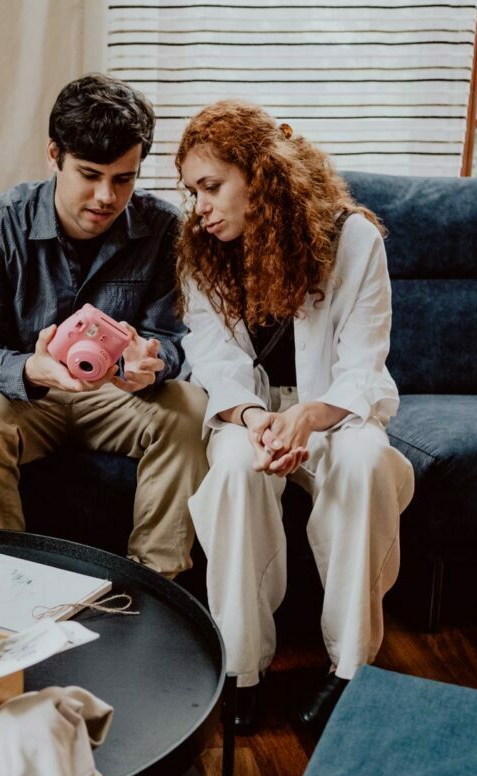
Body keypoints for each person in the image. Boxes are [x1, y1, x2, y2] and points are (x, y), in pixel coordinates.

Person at [175, 101, 415, 732]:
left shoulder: (352, 237)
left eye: (211, 186)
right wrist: (255, 418)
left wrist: (310, 416)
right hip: (249, 411)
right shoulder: (202, 249)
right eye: (193, 190)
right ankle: (241, 670)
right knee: (233, 472)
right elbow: (210, 354)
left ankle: (349, 673)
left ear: (260, 174)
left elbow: (364, 360)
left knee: (364, 463)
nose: (199, 205)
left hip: (332, 407)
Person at [0, 74, 207, 578]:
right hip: (26, 397)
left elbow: (175, 342)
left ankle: (156, 586)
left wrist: (153, 363)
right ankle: (6, 582)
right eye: (89, 174)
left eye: (123, 179)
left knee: (191, 406)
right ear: (53, 155)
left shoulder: (164, 229)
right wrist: (31, 369)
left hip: (117, 398)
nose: (106, 197)